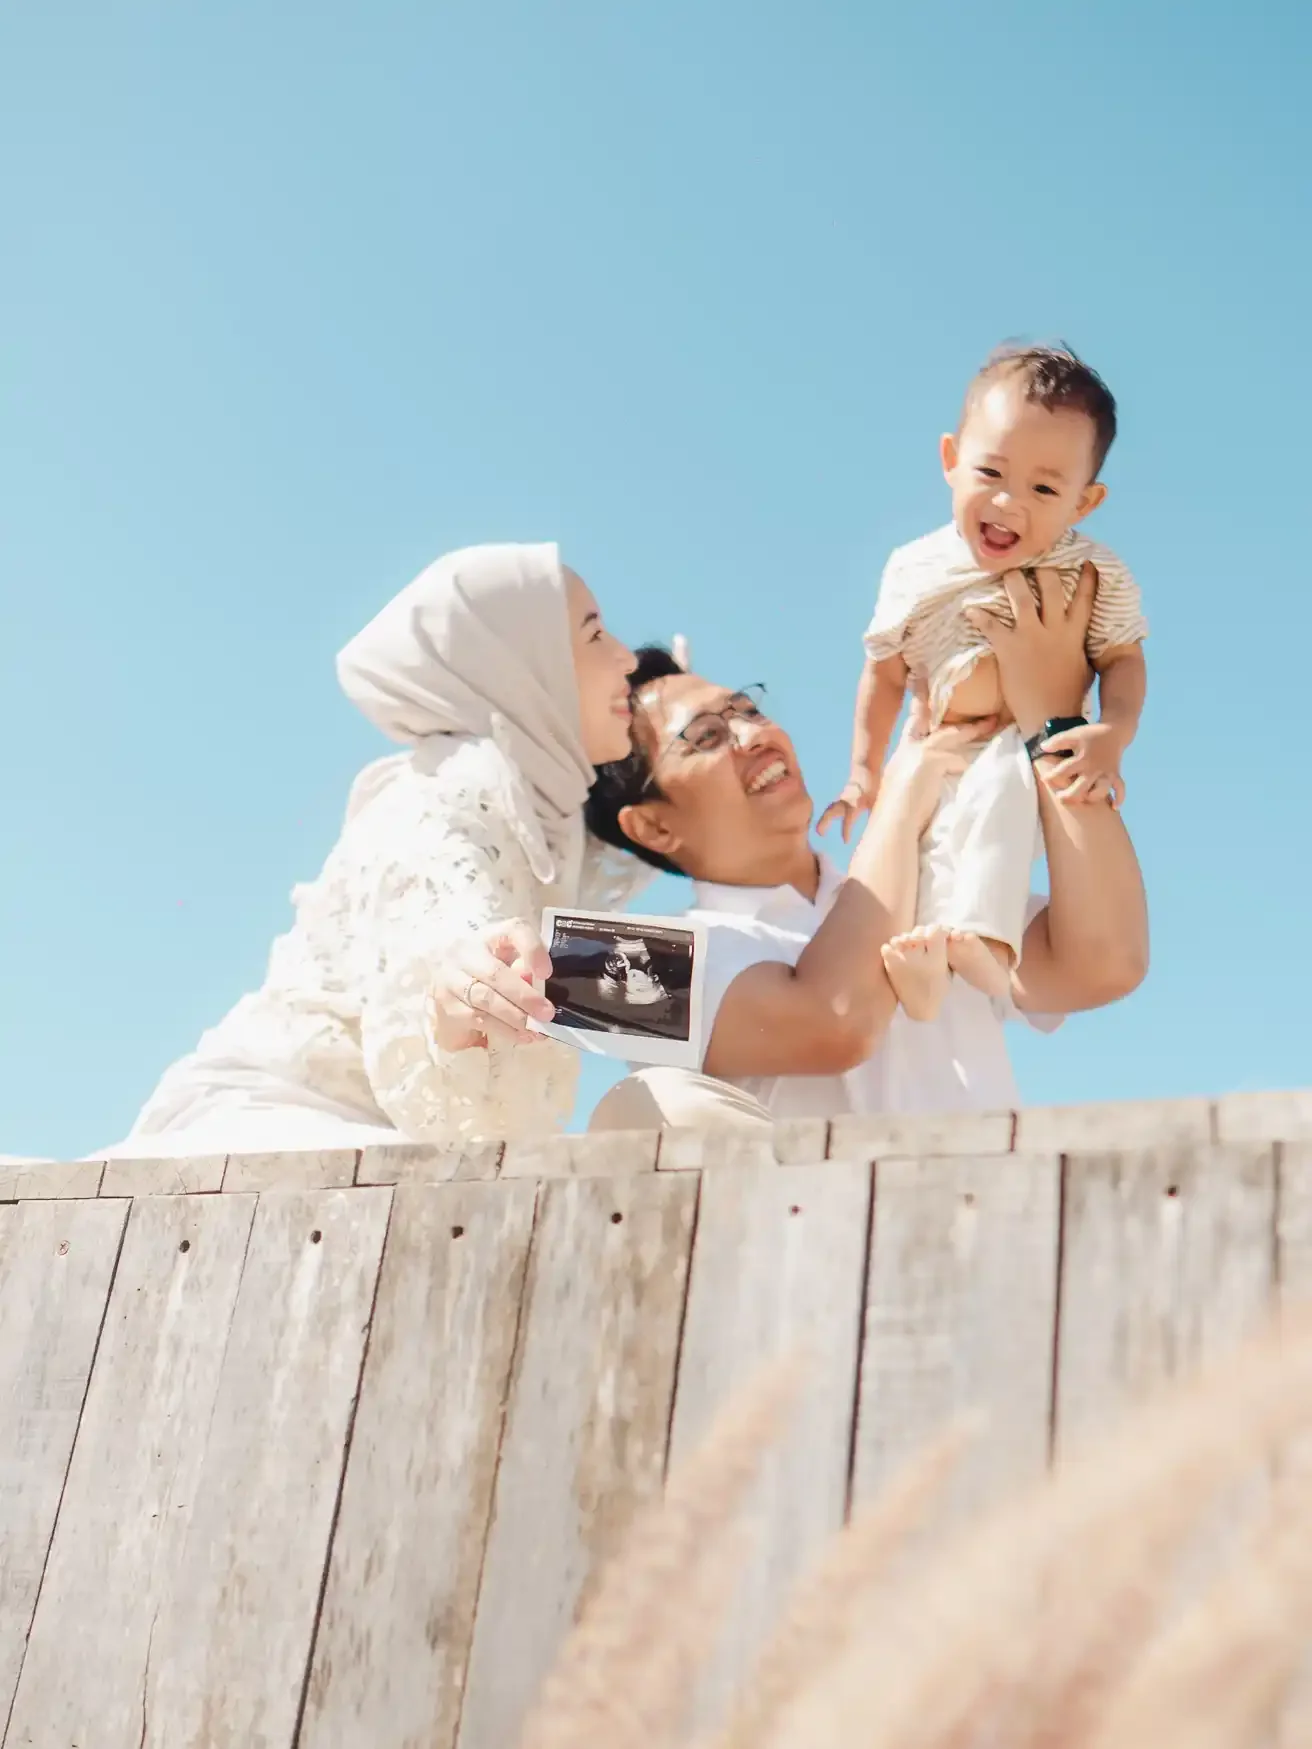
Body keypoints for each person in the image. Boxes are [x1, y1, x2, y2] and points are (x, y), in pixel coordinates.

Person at [106, 543, 644, 1157]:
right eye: (594, 633)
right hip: (273, 1128)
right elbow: (449, 920)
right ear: (522, 664)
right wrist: (458, 987)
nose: (627, 657)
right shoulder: (444, 792)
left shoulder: (556, 819)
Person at [583, 565, 1148, 1132]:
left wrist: (1053, 727)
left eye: (748, 710)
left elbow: (1104, 964)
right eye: (706, 737)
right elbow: (834, 1022)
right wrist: (902, 798)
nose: (755, 735)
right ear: (652, 828)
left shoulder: (930, 876)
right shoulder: (595, 967)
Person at [819, 344, 1149, 1023]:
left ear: (1085, 501)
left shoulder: (1094, 571)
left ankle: (986, 945)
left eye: (1045, 489)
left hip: (1020, 746)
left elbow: (1123, 658)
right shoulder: (914, 568)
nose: (1008, 502)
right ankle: (925, 970)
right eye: (990, 471)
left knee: (996, 811)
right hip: (937, 740)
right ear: (950, 458)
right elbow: (882, 670)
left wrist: (1113, 732)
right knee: (927, 848)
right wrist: (862, 768)